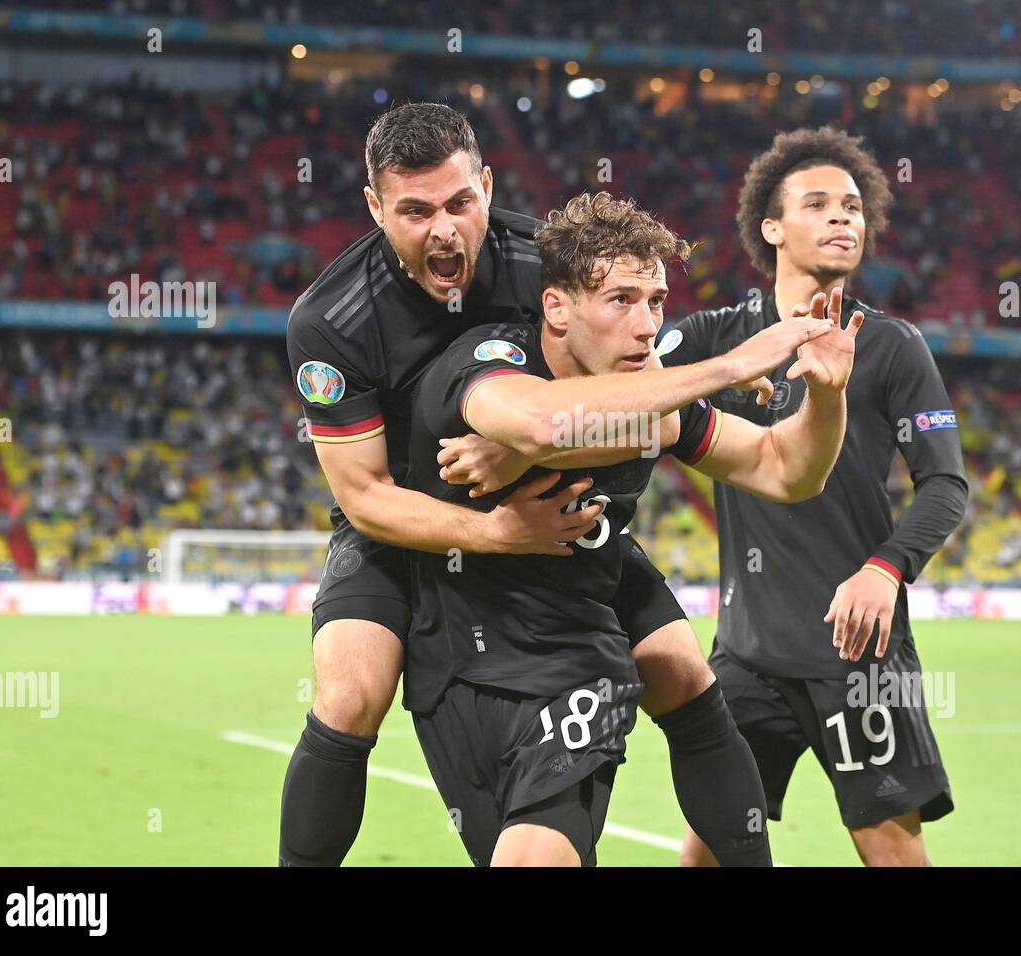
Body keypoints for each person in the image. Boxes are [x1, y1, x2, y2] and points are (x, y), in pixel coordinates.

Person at [283, 103, 783, 866]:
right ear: (376, 207)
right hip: (409, 517)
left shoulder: (544, 263)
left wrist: (517, 458)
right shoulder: (332, 320)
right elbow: (365, 497)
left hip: (553, 491)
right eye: (415, 211)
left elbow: (620, 384)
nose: (444, 230)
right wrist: (491, 530)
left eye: (460, 202)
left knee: (683, 672)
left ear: (487, 185)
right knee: (349, 695)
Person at [406, 190, 860, 865]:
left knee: (682, 675)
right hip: (461, 647)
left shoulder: (654, 393)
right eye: (621, 300)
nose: (647, 326)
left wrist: (827, 395)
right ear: (556, 307)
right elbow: (545, 420)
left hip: (580, 640)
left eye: (655, 303)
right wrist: (733, 363)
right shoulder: (489, 360)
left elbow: (787, 470)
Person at [661, 127, 969, 866]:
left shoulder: (892, 347)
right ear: (772, 228)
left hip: (858, 653)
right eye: (821, 204)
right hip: (747, 656)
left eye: (855, 207)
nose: (844, 218)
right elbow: (620, 383)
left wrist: (885, 567)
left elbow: (946, 485)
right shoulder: (716, 340)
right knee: (709, 848)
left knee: (891, 852)